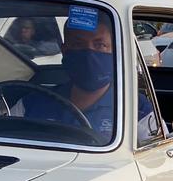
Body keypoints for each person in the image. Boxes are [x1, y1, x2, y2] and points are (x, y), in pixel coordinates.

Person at [18, 9, 157, 142]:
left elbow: (156, 158)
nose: (89, 54)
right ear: (65, 50)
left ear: (115, 50)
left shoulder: (136, 108)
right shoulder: (32, 103)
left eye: (100, 45)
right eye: (78, 44)